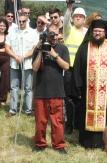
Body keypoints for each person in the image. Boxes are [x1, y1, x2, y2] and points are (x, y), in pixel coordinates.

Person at [72, 20, 107, 149]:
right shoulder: (84, 48)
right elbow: (77, 69)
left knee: (106, 117)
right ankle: (87, 142)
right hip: (88, 92)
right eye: (95, 31)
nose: (98, 33)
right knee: (86, 115)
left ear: (105, 32)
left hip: (106, 93)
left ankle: (104, 142)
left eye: (100, 31)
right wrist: (78, 89)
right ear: (91, 32)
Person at [32, 24, 70, 153]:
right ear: (46, 35)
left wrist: (54, 54)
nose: (54, 37)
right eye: (51, 34)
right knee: (40, 121)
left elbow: (66, 66)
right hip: (41, 90)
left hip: (57, 90)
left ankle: (59, 145)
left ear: (59, 34)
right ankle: (40, 143)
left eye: (56, 34)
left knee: (57, 121)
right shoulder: (39, 49)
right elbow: (35, 68)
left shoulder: (62, 48)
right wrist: (41, 51)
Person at [5, 12, 38, 117]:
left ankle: (28, 110)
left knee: (28, 87)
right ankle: (12, 110)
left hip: (28, 63)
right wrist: (16, 56)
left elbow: (34, 49)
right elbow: (7, 48)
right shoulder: (11, 32)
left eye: (23, 21)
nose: (21, 23)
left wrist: (24, 57)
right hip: (15, 63)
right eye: (19, 21)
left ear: (27, 20)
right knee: (14, 87)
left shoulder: (33, 33)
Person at [63, 4, 88, 135]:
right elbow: (65, 21)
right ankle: (69, 124)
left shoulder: (87, 33)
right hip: (69, 68)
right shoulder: (68, 30)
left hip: (82, 69)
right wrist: (69, 8)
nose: (78, 18)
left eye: (80, 17)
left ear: (84, 19)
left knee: (80, 97)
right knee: (68, 98)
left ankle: (78, 123)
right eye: (76, 16)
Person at [0, 18, 10, 106]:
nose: (2, 27)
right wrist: (2, 49)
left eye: (4, 26)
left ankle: (2, 98)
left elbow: (9, 48)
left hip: (6, 59)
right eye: (1, 25)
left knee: (5, 78)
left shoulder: (8, 35)